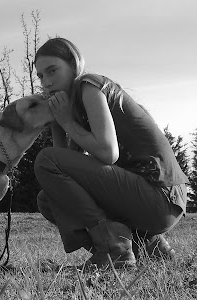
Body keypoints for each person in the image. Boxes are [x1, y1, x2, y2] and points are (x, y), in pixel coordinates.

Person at [33, 37, 189, 269]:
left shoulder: (89, 86)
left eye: (52, 70)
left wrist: (66, 122)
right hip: (145, 202)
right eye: (40, 76)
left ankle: (114, 249)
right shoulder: (72, 107)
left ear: (74, 65)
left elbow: (108, 153)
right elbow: (63, 173)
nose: (46, 82)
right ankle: (149, 246)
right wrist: (58, 122)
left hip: (161, 197)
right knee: (48, 199)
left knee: (45, 159)